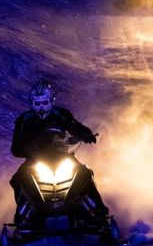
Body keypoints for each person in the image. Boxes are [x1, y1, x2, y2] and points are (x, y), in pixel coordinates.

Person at [10, 80, 108, 221]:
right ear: (32, 104)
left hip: (63, 156)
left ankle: (98, 214)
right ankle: (24, 218)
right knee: (19, 179)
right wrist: (29, 149)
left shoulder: (61, 114)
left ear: (51, 102)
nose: (41, 107)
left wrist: (86, 134)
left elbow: (74, 126)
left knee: (84, 173)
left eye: (45, 103)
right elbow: (15, 147)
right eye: (37, 104)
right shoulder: (24, 120)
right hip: (35, 160)